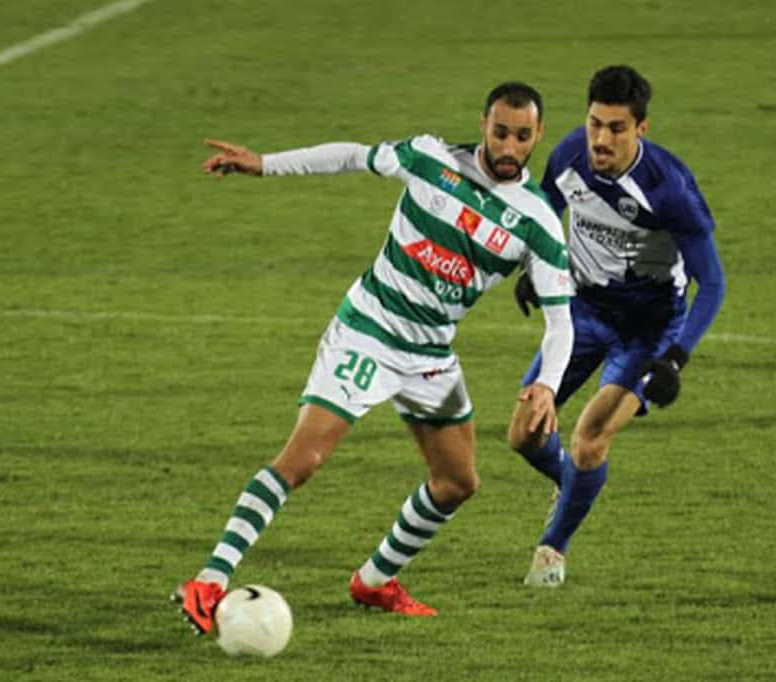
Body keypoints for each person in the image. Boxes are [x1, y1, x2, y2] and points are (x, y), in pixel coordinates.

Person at [173, 82, 575, 631]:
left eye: (521, 137)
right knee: (303, 459)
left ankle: (374, 581)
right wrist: (265, 164)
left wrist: (548, 383)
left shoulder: (537, 222)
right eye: (500, 132)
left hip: (430, 355)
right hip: (368, 331)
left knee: (457, 482)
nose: (508, 147)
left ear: (538, 135)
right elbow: (351, 156)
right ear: (483, 123)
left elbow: (561, 322)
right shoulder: (430, 159)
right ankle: (209, 581)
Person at [508, 65, 726, 587]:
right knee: (523, 434)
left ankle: (552, 553)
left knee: (589, 440)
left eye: (616, 128)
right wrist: (532, 267)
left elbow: (713, 283)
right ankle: (575, 485)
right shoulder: (569, 156)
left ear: (641, 129)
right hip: (583, 311)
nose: (601, 139)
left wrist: (675, 358)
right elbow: (544, 213)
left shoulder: (668, 190)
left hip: (649, 329)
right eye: (594, 124)